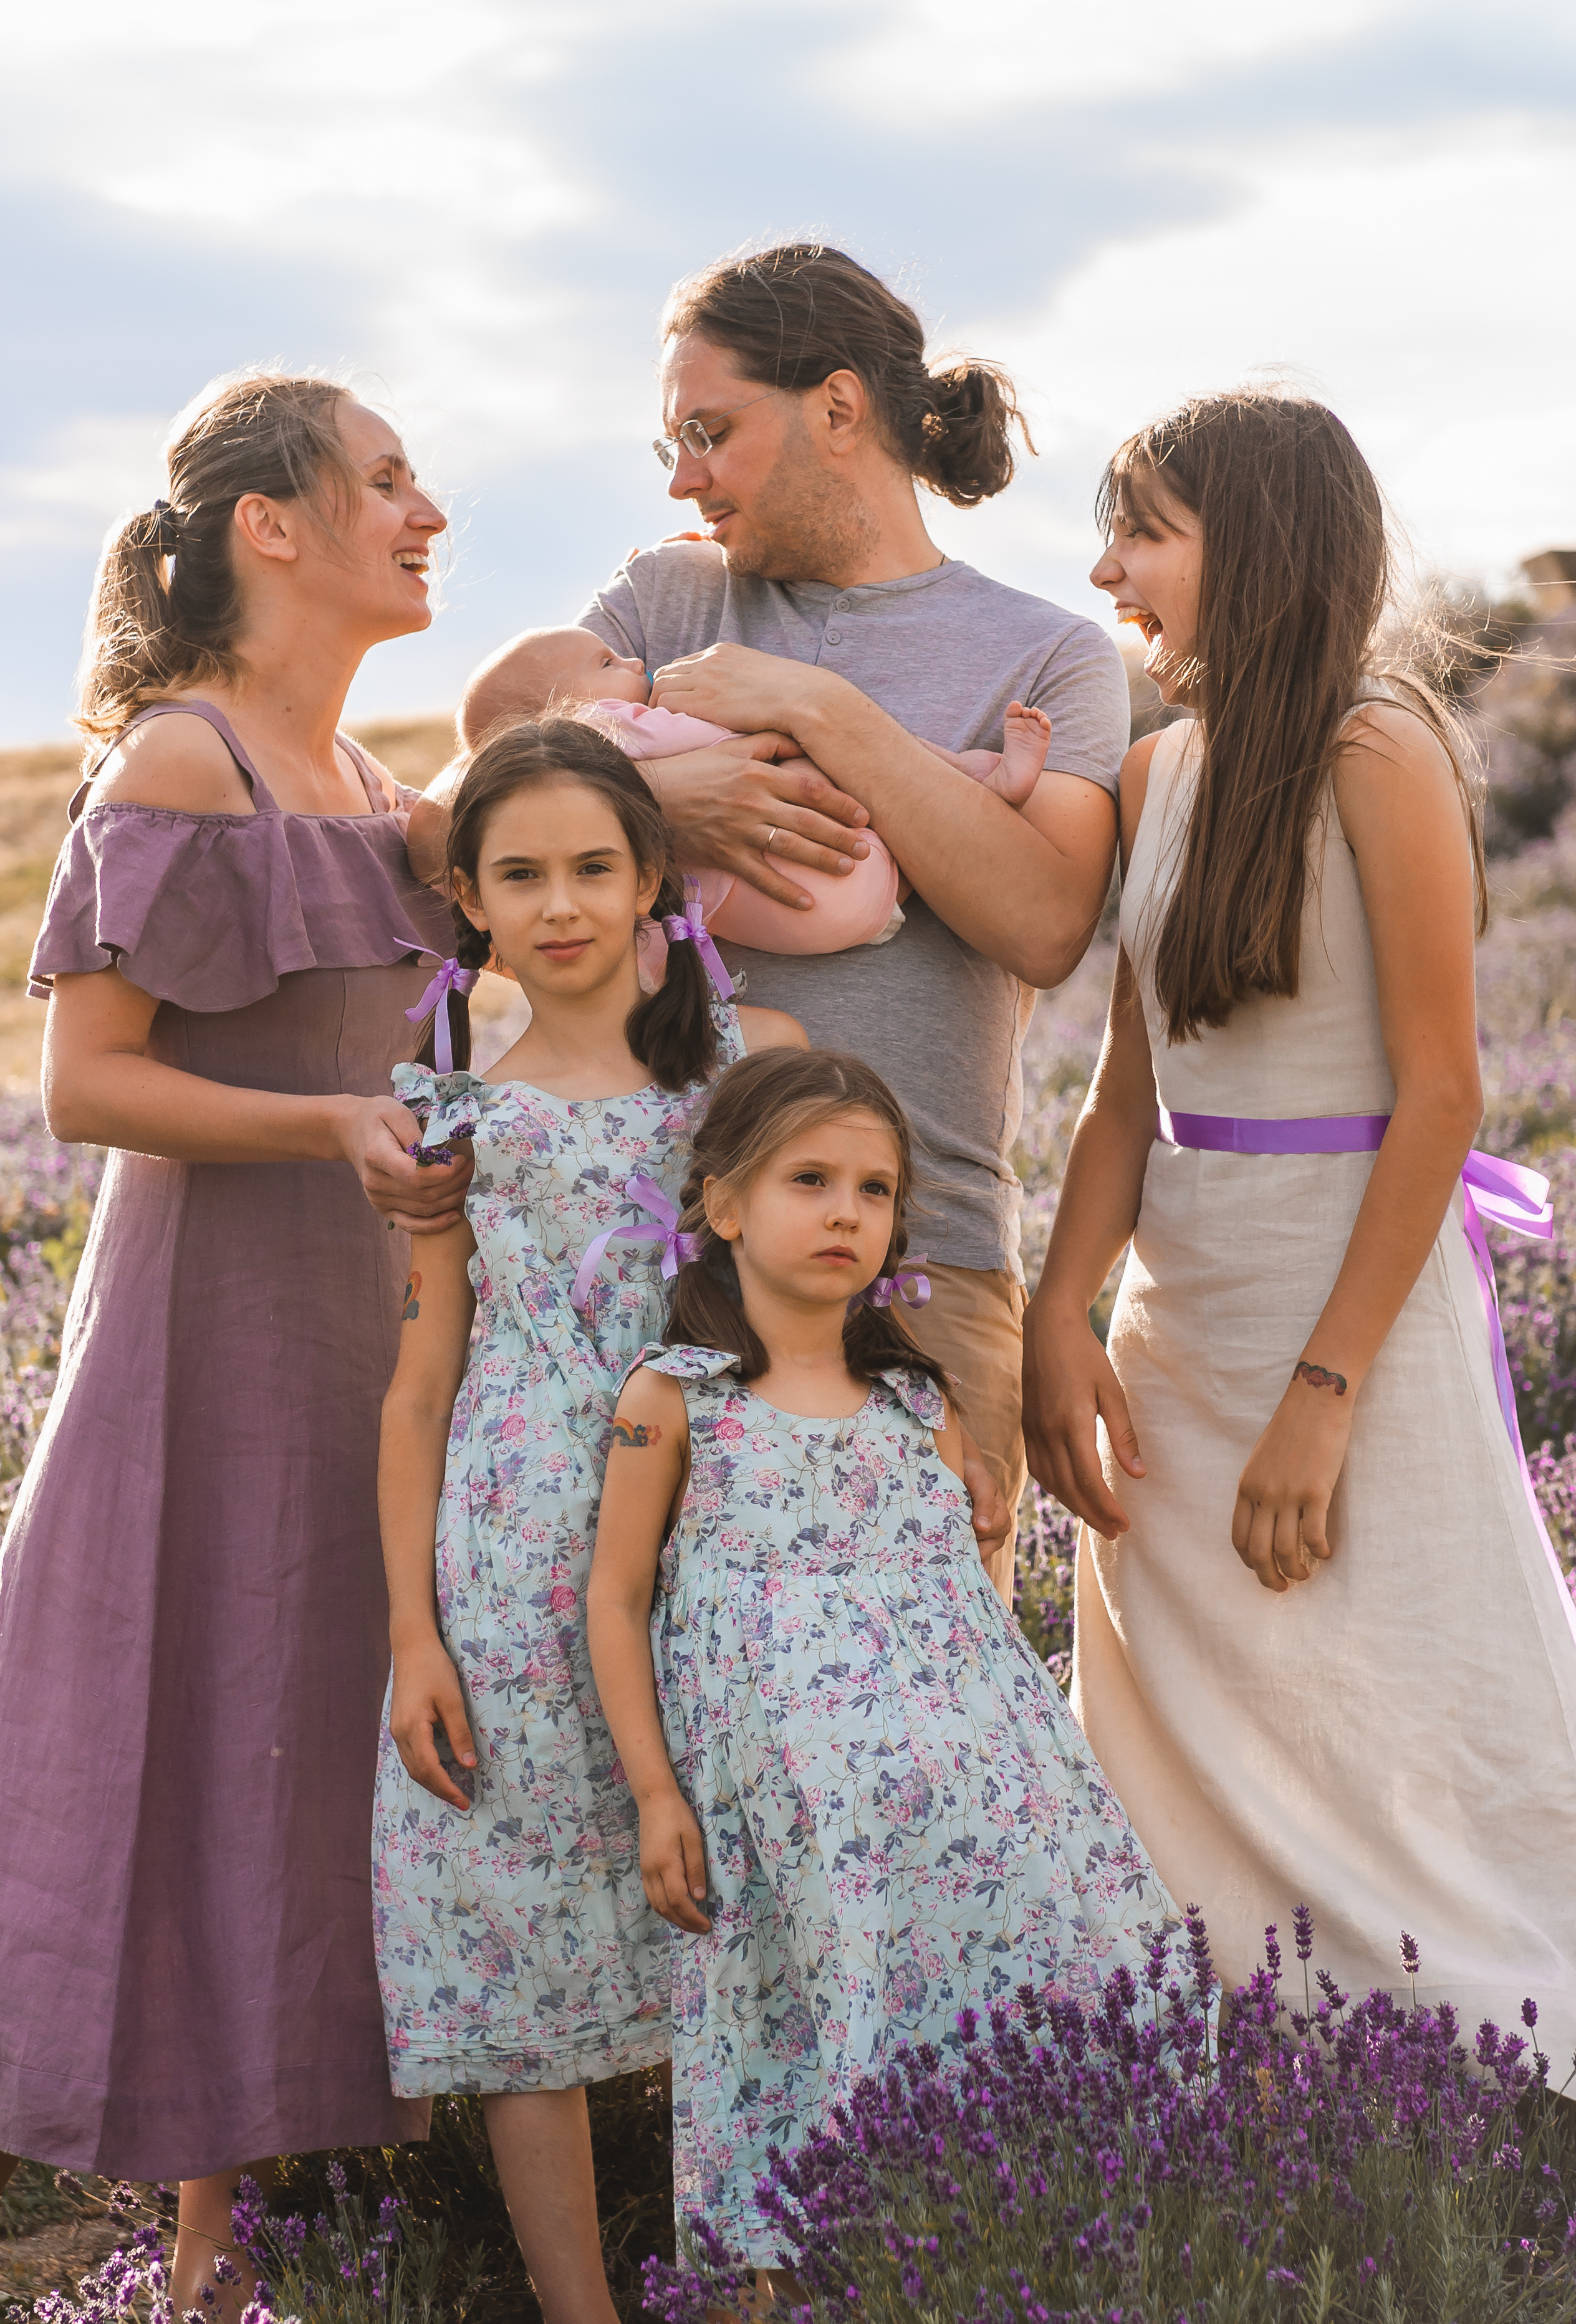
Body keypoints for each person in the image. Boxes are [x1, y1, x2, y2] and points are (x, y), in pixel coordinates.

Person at [1020, 389, 1576, 2043]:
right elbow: (1127, 1095)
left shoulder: (1377, 746)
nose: (1109, 564)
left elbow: (1445, 1093)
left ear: (1253, 548)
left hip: (1354, 1298)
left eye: (1147, 530)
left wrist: (1325, 1392)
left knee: (1396, 1655)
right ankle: (1245, 2047)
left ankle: (1466, 2026)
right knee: (1191, 1696)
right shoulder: (1155, 767)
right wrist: (1062, 1313)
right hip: (1178, 1310)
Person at [0, 371, 469, 2313]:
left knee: (345, 1738)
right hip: (216, 1334)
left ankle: (371, 2187)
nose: (423, 504)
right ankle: (204, 2258)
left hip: (382, 1329)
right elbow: (84, 1082)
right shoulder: (184, 763)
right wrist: (332, 1127)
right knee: (214, 1722)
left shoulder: (376, 792)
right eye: (381, 477)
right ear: (267, 525)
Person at [458, 242, 1133, 1588]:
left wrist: (825, 714)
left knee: (913, 1746)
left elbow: (1045, 921)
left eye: (709, 432)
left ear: (837, 409)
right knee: (631, 1746)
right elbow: (469, 812)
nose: (680, 477)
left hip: (917, 1269)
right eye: (670, 440)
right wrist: (674, 815)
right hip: (640, 1250)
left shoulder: (1048, 655)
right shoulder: (664, 600)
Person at [586, 1048, 1180, 2280]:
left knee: (1070, 1954)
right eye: (811, 1179)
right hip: (792, 1805)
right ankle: (800, 2260)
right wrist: (653, 1791)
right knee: (816, 2023)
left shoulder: (916, 1397)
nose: (847, 1211)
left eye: (874, 1189)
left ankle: (1006, 2217)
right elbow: (618, 1598)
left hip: (959, 1782)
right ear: (724, 1203)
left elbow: (963, 1614)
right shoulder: (674, 1396)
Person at [372, 719, 810, 2322]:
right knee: (512, 1908)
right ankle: (581, 2307)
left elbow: (816, 1299)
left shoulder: (740, 1064)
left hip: (716, 1527)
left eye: (593, 867)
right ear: (472, 905)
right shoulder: (447, 1109)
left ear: (649, 884)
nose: (560, 903)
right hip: (505, 1541)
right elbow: (419, 1384)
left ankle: (761, 2273)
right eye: (519, 874)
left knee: (743, 1881)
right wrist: (413, 1627)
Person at [460, 621, 1052, 957]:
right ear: (568, 706)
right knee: (875, 756)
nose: (637, 656)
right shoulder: (607, 723)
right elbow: (453, 813)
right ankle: (986, 778)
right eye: (610, 659)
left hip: (812, 915)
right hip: (832, 869)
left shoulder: (1054, 649)